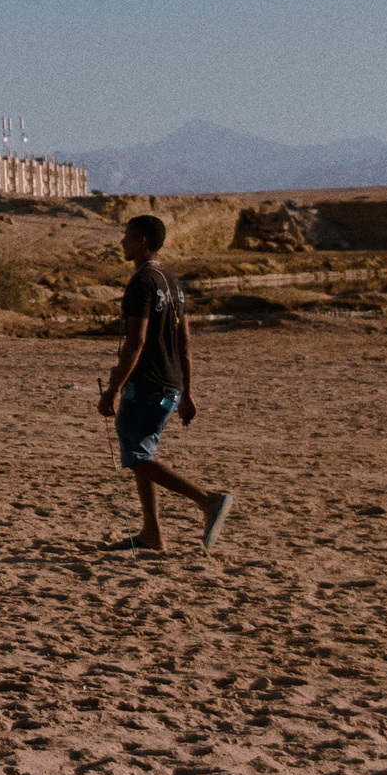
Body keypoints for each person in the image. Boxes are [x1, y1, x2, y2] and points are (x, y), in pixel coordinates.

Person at [97, 214, 235, 550]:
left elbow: (137, 341)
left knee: (136, 456)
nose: (122, 242)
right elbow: (184, 341)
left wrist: (113, 388)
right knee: (142, 453)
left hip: (146, 383)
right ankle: (151, 534)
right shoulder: (173, 283)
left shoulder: (142, 282)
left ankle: (207, 500)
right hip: (170, 384)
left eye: (127, 235)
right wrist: (187, 392)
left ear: (142, 240)